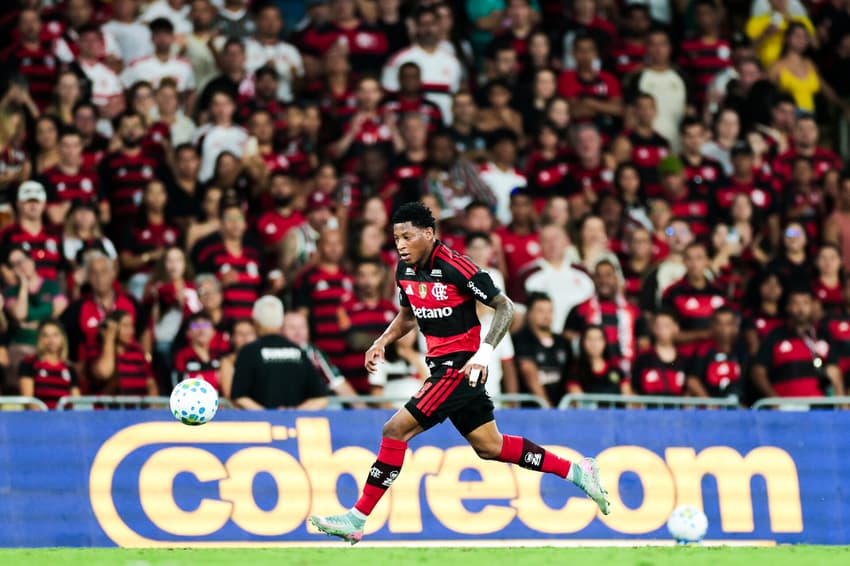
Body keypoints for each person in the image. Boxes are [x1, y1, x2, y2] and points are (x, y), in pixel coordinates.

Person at [308, 202, 610, 545]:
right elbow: (408, 315)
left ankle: (357, 518)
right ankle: (577, 471)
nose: (401, 245)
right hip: (443, 368)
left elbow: (505, 306)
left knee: (394, 430)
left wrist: (483, 354)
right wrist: (382, 341)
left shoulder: (455, 266)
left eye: (407, 237)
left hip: (459, 369)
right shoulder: (404, 270)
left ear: (428, 234)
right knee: (490, 446)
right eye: (396, 238)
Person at [231, 295, 329, 410]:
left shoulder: (248, 352)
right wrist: (293, 414)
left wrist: (267, 415)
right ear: (281, 321)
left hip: (260, 421)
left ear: (256, 322)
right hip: (292, 421)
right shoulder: (298, 351)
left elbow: (238, 396)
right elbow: (321, 398)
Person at [751, 286, 844, 398]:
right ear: (788, 307)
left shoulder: (822, 334)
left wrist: (842, 403)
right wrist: (774, 399)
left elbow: (834, 372)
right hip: (786, 405)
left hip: (819, 405)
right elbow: (758, 371)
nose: (801, 309)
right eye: (795, 303)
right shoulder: (775, 335)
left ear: (813, 306)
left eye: (805, 303)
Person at [523, 224, 596, 334]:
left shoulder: (584, 273)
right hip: (541, 339)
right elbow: (518, 316)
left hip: (580, 338)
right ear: (540, 244)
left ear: (567, 241)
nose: (552, 244)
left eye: (556, 239)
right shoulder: (527, 275)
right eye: (546, 240)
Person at [512, 292, 570, 408]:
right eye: (541, 311)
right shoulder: (521, 339)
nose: (546, 315)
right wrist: (548, 408)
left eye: (550, 311)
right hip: (531, 410)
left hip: (562, 408)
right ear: (529, 314)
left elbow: (571, 374)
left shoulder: (562, 342)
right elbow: (529, 373)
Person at [89, 309, 158, 396]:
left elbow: (151, 384)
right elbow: (104, 372)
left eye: (131, 326)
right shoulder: (98, 350)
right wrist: (109, 338)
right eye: (125, 326)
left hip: (138, 404)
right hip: (110, 405)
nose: (131, 331)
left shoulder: (136, 351)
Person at [18, 320, 80, 409]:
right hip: (39, 416)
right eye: (46, 336)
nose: (51, 340)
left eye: (55, 335)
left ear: (62, 338)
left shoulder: (69, 368)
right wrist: (46, 416)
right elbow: (28, 400)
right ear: (39, 339)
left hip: (64, 416)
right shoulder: (29, 363)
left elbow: (76, 401)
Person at [687, 307, 743, 399]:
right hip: (711, 406)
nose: (723, 329)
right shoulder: (704, 350)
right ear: (712, 325)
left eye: (728, 324)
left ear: (734, 326)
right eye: (719, 323)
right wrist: (710, 403)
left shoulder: (741, 350)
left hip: (736, 406)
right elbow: (692, 380)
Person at [631, 309, 688, 397]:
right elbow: (634, 389)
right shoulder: (643, 358)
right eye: (658, 326)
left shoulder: (684, 359)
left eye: (666, 326)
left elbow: (687, 391)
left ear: (676, 327)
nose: (662, 330)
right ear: (653, 328)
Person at [567, 325, 633, 396]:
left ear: (605, 342)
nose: (594, 344)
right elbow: (577, 398)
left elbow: (628, 397)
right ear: (582, 342)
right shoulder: (575, 371)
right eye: (589, 339)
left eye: (598, 339)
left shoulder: (616, 370)